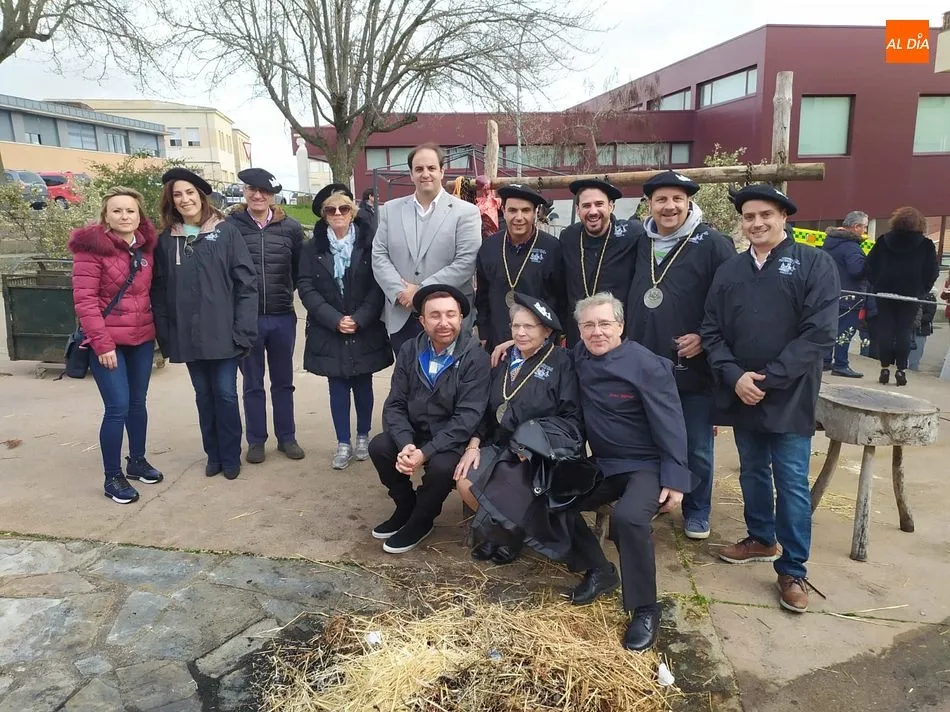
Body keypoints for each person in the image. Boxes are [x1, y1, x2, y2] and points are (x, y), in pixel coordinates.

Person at [702, 184, 839, 614]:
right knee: (752, 472)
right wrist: (734, 375)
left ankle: (793, 567)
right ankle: (760, 537)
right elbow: (711, 330)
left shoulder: (814, 264)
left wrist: (770, 378)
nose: (757, 223)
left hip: (791, 393)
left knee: (792, 482)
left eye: (766, 215)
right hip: (742, 391)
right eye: (749, 217)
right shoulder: (731, 270)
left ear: (784, 217)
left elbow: (819, 333)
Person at [564, 292, 692, 652]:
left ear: (620, 325)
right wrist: (517, 341)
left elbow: (672, 423)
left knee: (629, 519)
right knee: (553, 498)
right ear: (579, 330)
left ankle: (645, 608)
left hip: (645, 465)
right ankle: (599, 569)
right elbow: (546, 353)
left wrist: (675, 479)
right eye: (588, 325)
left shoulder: (647, 365)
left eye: (605, 323)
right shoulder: (579, 357)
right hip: (604, 463)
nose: (597, 332)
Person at [626, 170, 736, 540]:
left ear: (688, 201)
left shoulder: (712, 243)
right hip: (645, 358)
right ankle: (657, 499)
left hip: (692, 363)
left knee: (696, 444)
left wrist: (706, 338)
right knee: (648, 437)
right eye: (661, 199)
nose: (669, 206)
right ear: (650, 204)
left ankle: (697, 508)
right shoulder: (640, 240)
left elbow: (731, 299)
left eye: (676, 199)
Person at [454, 293, 580, 565]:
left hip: (536, 451)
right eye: (516, 327)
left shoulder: (562, 362)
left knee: (512, 487)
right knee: (465, 481)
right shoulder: (502, 357)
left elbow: (570, 418)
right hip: (498, 443)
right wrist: (474, 444)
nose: (521, 333)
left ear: (546, 331)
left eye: (529, 327)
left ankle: (507, 537)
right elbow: (485, 408)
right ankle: (505, 532)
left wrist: (533, 444)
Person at [151, 168, 258, 480]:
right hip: (187, 334)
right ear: (171, 201)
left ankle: (230, 455)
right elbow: (158, 290)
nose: (185, 199)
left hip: (224, 333)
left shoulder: (225, 232)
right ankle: (213, 454)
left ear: (201, 195)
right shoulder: (167, 241)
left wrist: (243, 330)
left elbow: (246, 285)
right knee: (203, 395)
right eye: (177, 194)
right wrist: (166, 334)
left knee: (225, 393)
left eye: (189, 192)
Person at [368, 284, 490, 554]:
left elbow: (467, 417)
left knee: (442, 468)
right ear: (422, 320)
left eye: (451, 314)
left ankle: (422, 520)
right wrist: (406, 445)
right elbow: (395, 404)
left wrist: (426, 452)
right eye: (435, 316)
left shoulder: (475, 357)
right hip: (415, 434)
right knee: (379, 446)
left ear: (461, 318)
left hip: (451, 439)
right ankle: (406, 506)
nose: (444, 323)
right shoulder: (411, 350)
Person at [69, 187, 163, 504]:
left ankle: (137, 460)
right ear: (106, 215)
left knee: (138, 403)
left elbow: (188, 232)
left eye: (130, 211)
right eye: (117, 211)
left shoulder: (147, 248)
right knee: (117, 408)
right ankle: (113, 477)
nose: (124, 216)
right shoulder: (91, 250)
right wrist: (102, 343)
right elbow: (85, 302)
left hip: (140, 339)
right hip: (107, 344)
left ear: (140, 216)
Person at [297, 186, 393, 470]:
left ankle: (363, 436)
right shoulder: (311, 248)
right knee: (337, 385)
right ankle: (343, 441)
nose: (338, 214)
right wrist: (334, 318)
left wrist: (360, 318)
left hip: (364, 325)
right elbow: (306, 286)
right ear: (324, 215)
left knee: (363, 382)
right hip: (329, 327)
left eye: (344, 209)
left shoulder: (369, 243)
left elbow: (378, 284)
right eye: (331, 209)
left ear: (353, 212)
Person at [372, 143, 481, 355]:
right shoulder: (390, 210)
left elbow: (466, 262)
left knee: (451, 383)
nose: (425, 174)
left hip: (447, 318)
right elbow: (379, 255)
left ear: (442, 171)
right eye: (419, 169)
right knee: (408, 382)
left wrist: (421, 291)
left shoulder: (466, 213)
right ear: (411, 174)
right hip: (402, 313)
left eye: (431, 168)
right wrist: (400, 292)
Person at [228, 167, 306, 464]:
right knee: (252, 383)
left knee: (284, 381)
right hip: (246, 319)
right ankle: (257, 440)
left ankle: (287, 437)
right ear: (244, 192)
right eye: (252, 189)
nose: (258, 195)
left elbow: (300, 270)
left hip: (282, 316)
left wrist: (287, 293)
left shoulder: (291, 228)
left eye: (264, 191)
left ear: (273, 195)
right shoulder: (231, 226)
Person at [474, 184, 563, 351]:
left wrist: (552, 335)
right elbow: (483, 297)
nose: (519, 217)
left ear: (535, 212)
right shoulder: (489, 247)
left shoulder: (552, 248)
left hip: (539, 341)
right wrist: (484, 334)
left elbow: (559, 298)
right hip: (497, 339)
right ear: (503, 210)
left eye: (526, 210)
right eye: (513, 210)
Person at [559, 179, 642, 347]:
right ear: (578, 209)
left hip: (617, 335)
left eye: (599, 204)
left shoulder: (632, 235)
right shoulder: (568, 237)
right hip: (579, 334)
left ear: (611, 206)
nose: (593, 211)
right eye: (586, 205)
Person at [864, 206, 940, 386]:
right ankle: (900, 370)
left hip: (884, 291)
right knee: (904, 330)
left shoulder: (883, 240)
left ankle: (884, 368)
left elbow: (869, 266)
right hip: (911, 294)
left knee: (885, 329)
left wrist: (876, 284)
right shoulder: (926, 244)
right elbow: (932, 271)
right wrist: (923, 289)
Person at [821, 211, 868, 378]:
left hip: (830, 293)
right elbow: (857, 270)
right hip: (850, 296)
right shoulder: (851, 246)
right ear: (856, 227)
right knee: (845, 331)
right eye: (864, 227)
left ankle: (825, 361)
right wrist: (869, 265)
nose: (865, 231)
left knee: (830, 329)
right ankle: (841, 364)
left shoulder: (830, 242)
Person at [908, 292, 936, 371]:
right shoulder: (910, 292)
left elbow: (929, 316)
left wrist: (915, 319)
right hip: (906, 330)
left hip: (920, 331)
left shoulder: (930, 297)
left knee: (914, 360)